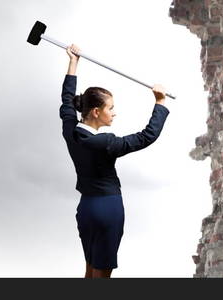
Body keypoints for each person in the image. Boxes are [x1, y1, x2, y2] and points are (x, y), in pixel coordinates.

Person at [60, 44, 170, 278]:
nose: (114, 112)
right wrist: (160, 102)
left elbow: (67, 101)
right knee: (102, 275)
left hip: (86, 208)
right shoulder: (105, 143)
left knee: (90, 269)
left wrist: (73, 64)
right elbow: (146, 137)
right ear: (97, 112)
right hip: (107, 208)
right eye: (111, 108)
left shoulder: (70, 130)